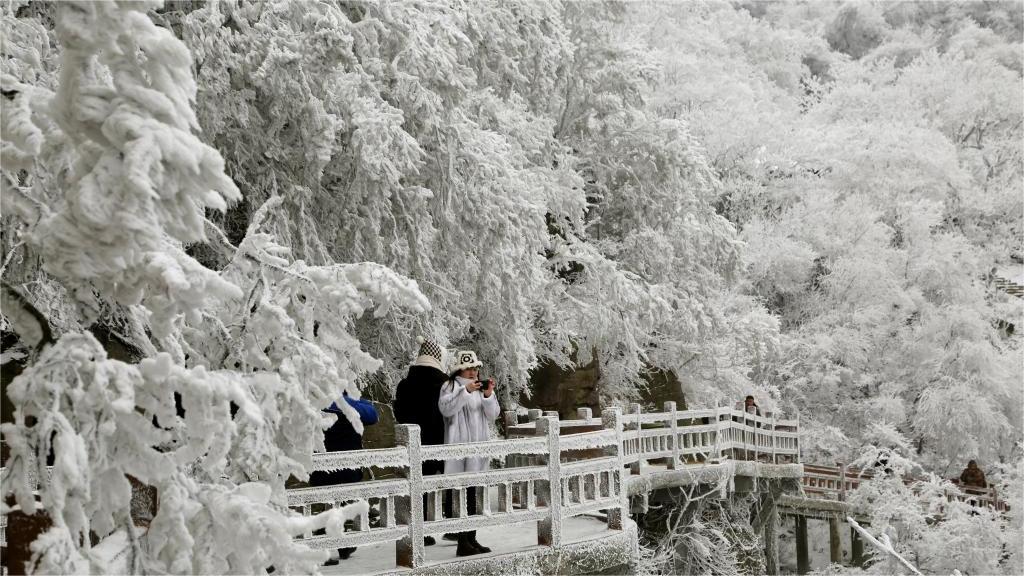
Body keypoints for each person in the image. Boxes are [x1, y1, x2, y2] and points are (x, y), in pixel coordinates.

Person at [438, 350, 500, 557]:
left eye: (475, 368)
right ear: (460, 370)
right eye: (469, 369)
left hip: (478, 449)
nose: (473, 372)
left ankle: (471, 538)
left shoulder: (479, 388)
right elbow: (446, 409)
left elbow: (493, 415)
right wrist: (465, 391)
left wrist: (488, 395)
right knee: (460, 495)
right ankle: (462, 541)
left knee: (473, 495)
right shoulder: (449, 386)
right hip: (459, 450)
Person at [310, 393, 378, 564]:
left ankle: (338, 545)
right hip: (346, 469)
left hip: (320, 469)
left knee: (332, 506)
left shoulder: (313, 401)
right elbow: (372, 415)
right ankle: (330, 547)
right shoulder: (347, 405)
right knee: (337, 506)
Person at [393, 337, 448, 546]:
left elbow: (399, 413)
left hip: (410, 444)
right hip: (437, 441)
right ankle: (455, 527)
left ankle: (415, 530)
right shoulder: (444, 385)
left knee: (414, 488)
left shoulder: (405, 384)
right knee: (442, 483)